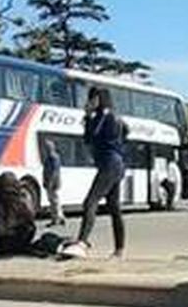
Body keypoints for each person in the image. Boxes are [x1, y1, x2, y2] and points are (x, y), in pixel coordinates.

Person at [62, 86, 126, 258]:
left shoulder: (107, 115)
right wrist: (88, 118)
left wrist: (90, 116)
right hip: (113, 164)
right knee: (114, 207)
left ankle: (82, 242)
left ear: (101, 98)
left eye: (93, 98)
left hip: (110, 163)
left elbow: (94, 135)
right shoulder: (102, 116)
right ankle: (119, 249)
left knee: (90, 201)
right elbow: (88, 139)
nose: (90, 101)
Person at [41, 139, 64, 226]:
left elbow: (54, 171)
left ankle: (56, 219)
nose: (45, 149)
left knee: (54, 201)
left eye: (47, 147)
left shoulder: (54, 157)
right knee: (53, 200)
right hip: (49, 182)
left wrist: (50, 182)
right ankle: (59, 217)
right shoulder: (49, 157)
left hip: (53, 183)